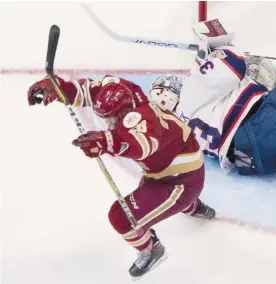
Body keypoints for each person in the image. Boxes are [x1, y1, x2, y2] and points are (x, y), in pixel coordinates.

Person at [27, 75, 215, 279]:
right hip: (172, 168)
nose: (109, 124)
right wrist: (59, 88)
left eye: (112, 119)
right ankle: (195, 207)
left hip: (180, 182)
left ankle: (152, 250)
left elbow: (142, 145)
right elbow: (89, 90)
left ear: (125, 112)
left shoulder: (143, 120)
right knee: (155, 192)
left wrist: (107, 142)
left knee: (121, 217)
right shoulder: (120, 89)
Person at [149, 20, 276, 190]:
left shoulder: (181, 129)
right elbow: (233, 65)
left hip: (255, 162)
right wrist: (214, 45)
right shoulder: (191, 91)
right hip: (258, 129)